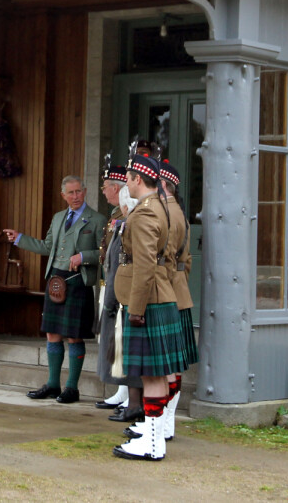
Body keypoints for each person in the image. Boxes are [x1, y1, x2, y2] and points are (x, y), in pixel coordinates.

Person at [4, 175, 106, 403]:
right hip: (55, 281)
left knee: (74, 336)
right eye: (71, 193)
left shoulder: (97, 219)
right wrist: (20, 238)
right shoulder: (59, 217)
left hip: (78, 281)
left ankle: (72, 388)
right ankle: (52, 384)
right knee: (52, 333)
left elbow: (104, 252)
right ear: (63, 196)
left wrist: (83, 256)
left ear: (85, 191)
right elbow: (47, 246)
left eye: (79, 191)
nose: (76, 196)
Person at [112, 154, 187, 461]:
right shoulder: (163, 208)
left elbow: (145, 266)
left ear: (137, 180)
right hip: (161, 294)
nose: (125, 183)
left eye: (127, 178)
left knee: (152, 375)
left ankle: (153, 444)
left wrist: (137, 309)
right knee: (155, 373)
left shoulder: (144, 214)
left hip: (148, 300)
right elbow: (169, 261)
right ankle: (154, 439)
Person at [95, 164, 144, 424]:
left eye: (105, 187)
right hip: (114, 285)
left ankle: (131, 398)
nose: (103, 192)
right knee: (115, 343)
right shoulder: (118, 214)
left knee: (123, 345)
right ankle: (123, 392)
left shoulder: (129, 219)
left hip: (125, 292)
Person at [158, 159, 198, 441]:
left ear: (163, 185)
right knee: (171, 363)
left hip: (167, 292)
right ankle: (164, 422)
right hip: (177, 290)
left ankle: (164, 422)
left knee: (167, 364)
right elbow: (187, 261)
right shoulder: (178, 212)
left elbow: (165, 257)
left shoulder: (168, 214)